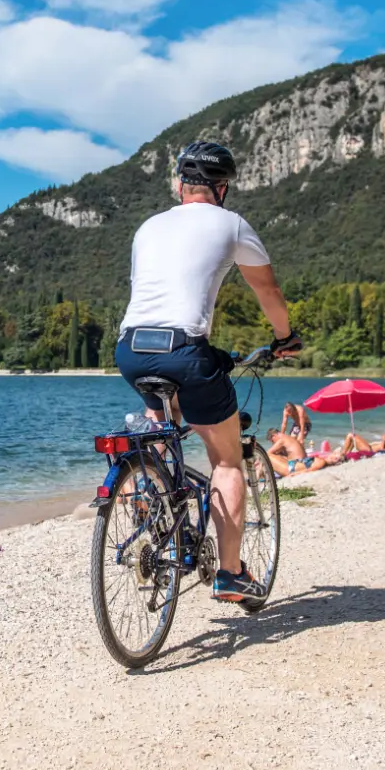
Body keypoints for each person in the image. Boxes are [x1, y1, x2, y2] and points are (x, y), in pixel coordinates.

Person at [113, 141, 299, 604]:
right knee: (227, 460)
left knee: (161, 427)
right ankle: (232, 574)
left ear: (180, 186)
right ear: (224, 188)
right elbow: (268, 290)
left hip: (131, 349)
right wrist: (285, 337)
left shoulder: (148, 227)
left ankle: (152, 503)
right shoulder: (231, 223)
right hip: (184, 349)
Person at [265, 427, 336, 476]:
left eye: (272, 441)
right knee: (276, 455)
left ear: (274, 436)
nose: (273, 443)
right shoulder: (289, 438)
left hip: (292, 468)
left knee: (267, 455)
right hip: (295, 464)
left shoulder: (282, 440)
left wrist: (296, 474)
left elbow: (310, 470)